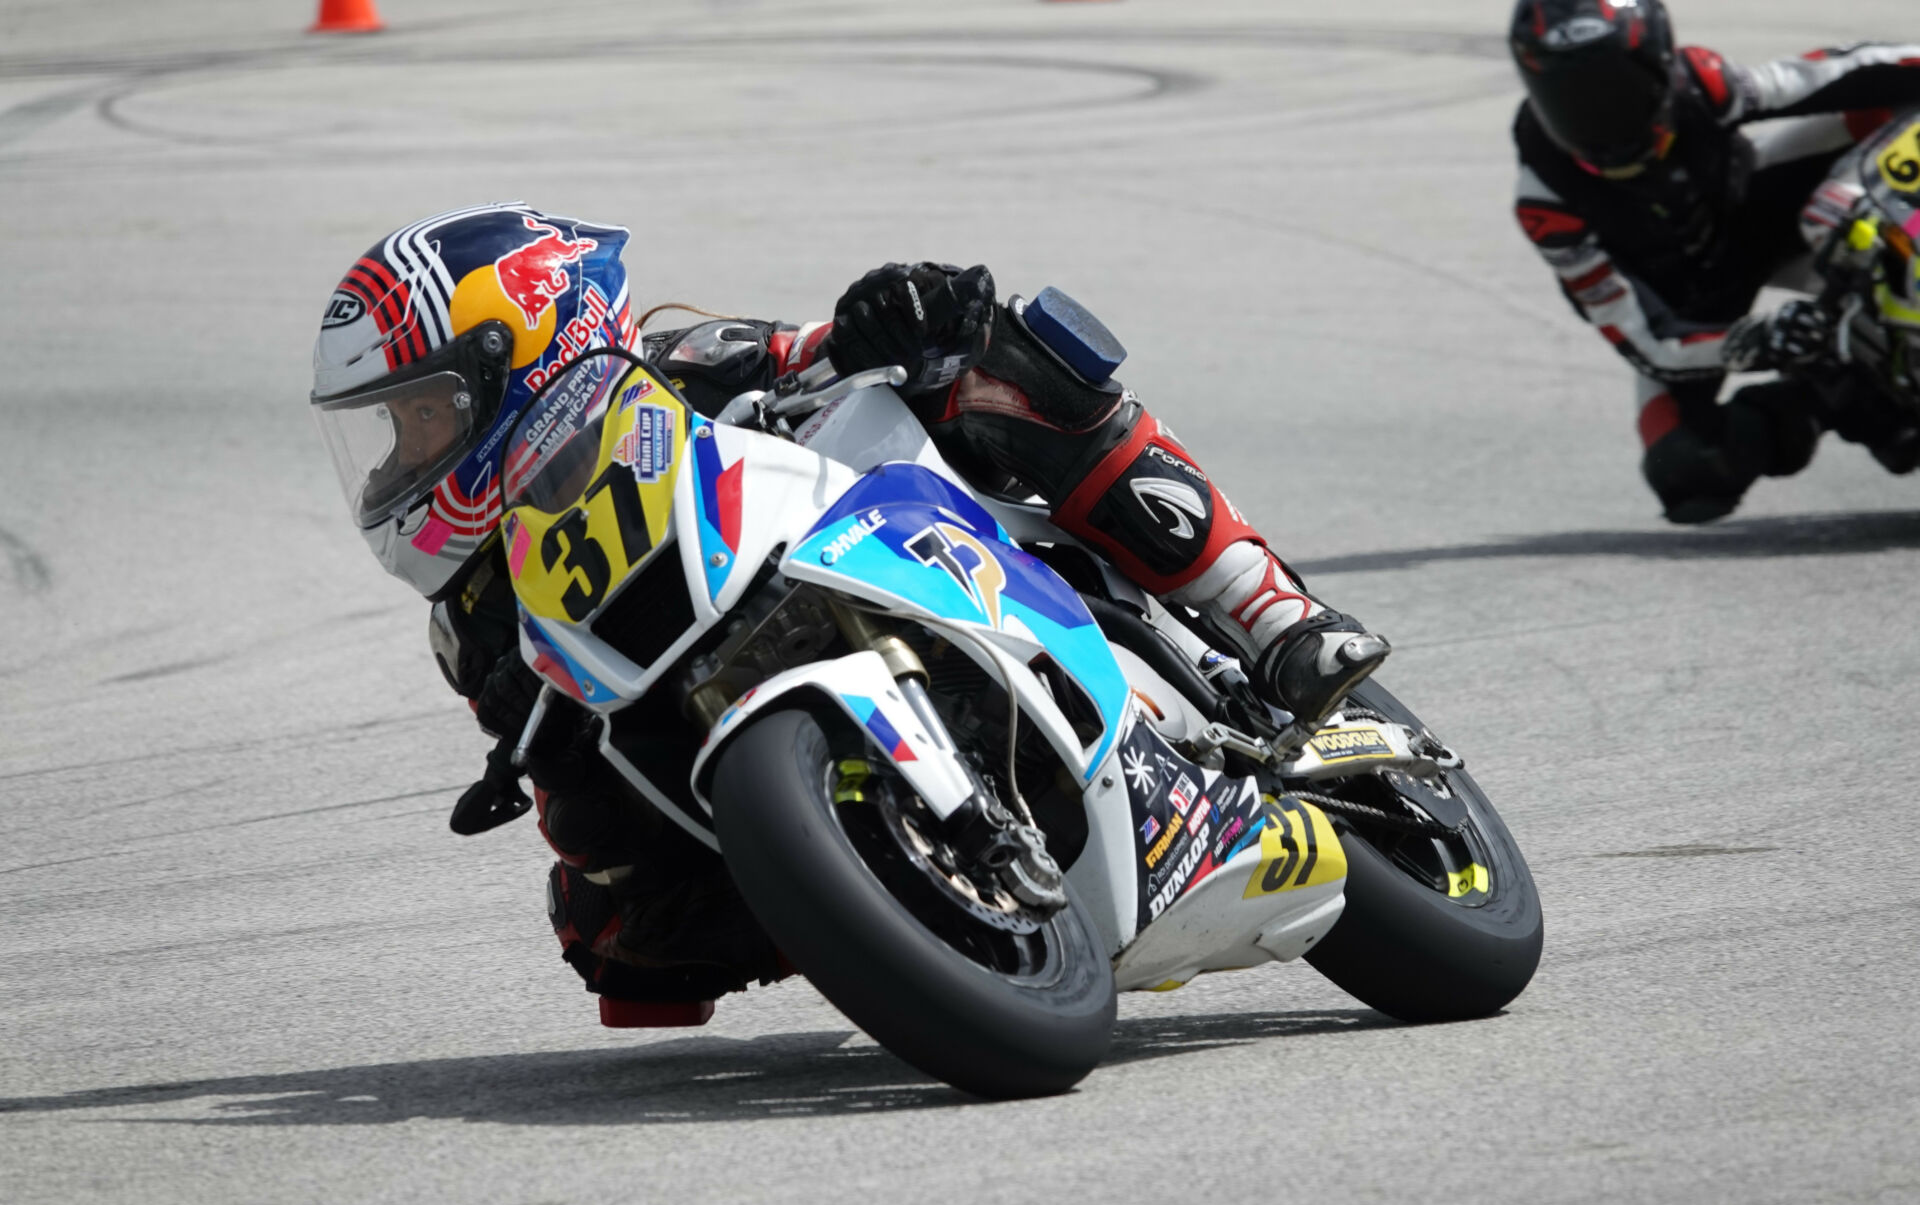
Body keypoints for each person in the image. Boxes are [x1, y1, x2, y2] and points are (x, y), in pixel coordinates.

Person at [308, 203, 1389, 1020]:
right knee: (607, 927)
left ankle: (1267, 611)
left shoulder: (667, 366)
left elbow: (811, 352)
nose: (407, 455)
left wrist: (898, 312)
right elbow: (565, 803)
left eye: (421, 415)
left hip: (872, 541)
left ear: (523, 348)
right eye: (389, 430)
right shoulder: (474, 614)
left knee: (1003, 363)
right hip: (727, 727)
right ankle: (907, 900)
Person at [1508, 0, 1920, 522]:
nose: (1601, 121)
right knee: (1686, 469)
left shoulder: (1701, 82)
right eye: (1570, 101)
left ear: (1661, 63)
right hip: (1693, 306)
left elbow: (1843, 70)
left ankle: (1904, 254)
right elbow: (1644, 338)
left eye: (1619, 92)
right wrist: (1753, 342)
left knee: (1887, 109)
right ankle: (1840, 393)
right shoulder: (1546, 203)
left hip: (1759, 211)